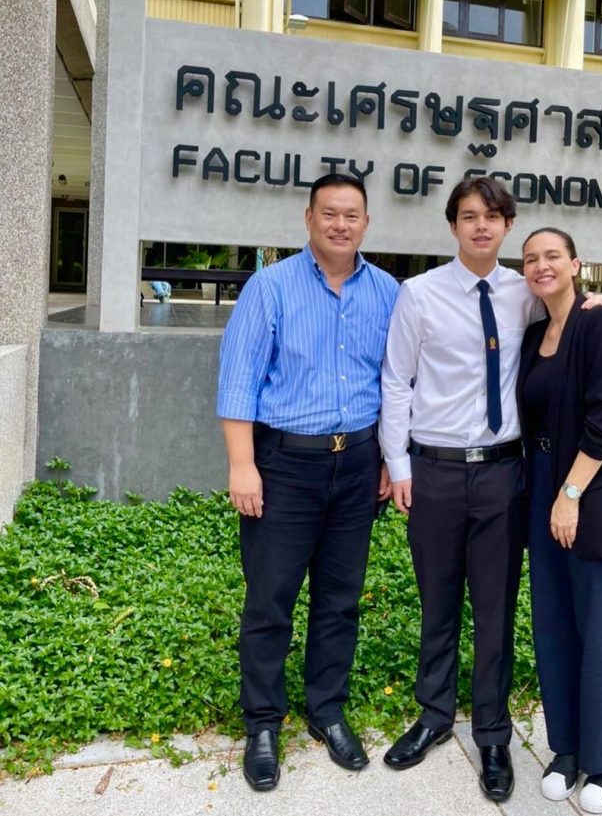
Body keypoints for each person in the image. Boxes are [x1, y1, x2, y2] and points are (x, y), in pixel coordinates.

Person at [379, 178, 602, 802]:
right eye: (468, 216)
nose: (481, 226)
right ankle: (432, 716)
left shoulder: (523, 294)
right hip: (434, 470)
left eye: (492, 217)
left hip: (506, 475)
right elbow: (396, 382)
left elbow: (568, 313)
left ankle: (491, 733)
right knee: (438, 603)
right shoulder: (418, 294)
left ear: (507, 226)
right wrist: (398, 465)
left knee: (495, 613)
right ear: (452, 226)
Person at [217, 173, 398, 792]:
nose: (340, 224)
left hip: (357, 465)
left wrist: (385, 459)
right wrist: (243, 465)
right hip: (284, 465)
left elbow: (397, 383)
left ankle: (327, 709)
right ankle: (263, 721)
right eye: (330, 213)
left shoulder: (388, 293)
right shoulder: (270, 288)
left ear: (366, 223)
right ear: (309, 217)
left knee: (340, 597)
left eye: (352, 215)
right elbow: (239, 382)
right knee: (270, 598)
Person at [516, 227, 602, 814]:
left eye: (552, 256)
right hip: (543, 487)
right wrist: (549, 492)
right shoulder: (532, 335)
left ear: (575, 264)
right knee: (554, 625)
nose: (542, 265)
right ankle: (565, 751)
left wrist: (569, 492)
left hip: (593, 491)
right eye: (531, 259)